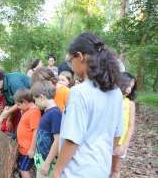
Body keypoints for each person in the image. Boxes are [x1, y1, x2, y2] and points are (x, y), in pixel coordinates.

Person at [52, 32, 124, 178]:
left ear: (80, 56)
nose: (71, 65)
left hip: (77, 171)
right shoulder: (116, 92)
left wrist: (57, 171)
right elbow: (117, 135)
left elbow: (72, 140)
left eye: (70, 60)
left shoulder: (79, 92)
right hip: (101, 168)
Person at [0, 67, 30, 135]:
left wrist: (6, 113)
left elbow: (23, 100)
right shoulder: (3, 89)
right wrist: (6, 118)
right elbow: (10, 104)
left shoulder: (13, 81)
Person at [30, 81, 61, 178]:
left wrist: (47, 164)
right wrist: (33, 149)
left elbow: (58, 140)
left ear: (42, 97)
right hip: (40, 158)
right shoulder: (46, 112)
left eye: (35, 100)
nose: (35, 104)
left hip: (48, 163)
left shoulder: (55, 113)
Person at [110, 72, 136, 178]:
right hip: (106, 140)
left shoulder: (130, 104)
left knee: (115, 169)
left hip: (120, 143)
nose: (129, 89)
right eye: (128, 85)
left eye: (132, 87)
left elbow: (130, 126)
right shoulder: (109, 99)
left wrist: (124, 146)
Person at [14, 88, 42, 178]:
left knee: (24, 169)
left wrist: (32, 149)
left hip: (28, 149)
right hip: (23, 147)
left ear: (25, 102)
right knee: (22, 167)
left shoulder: (34, 112)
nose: (17, 107)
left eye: (19, 105)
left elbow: (36, 131)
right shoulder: (27, 111)